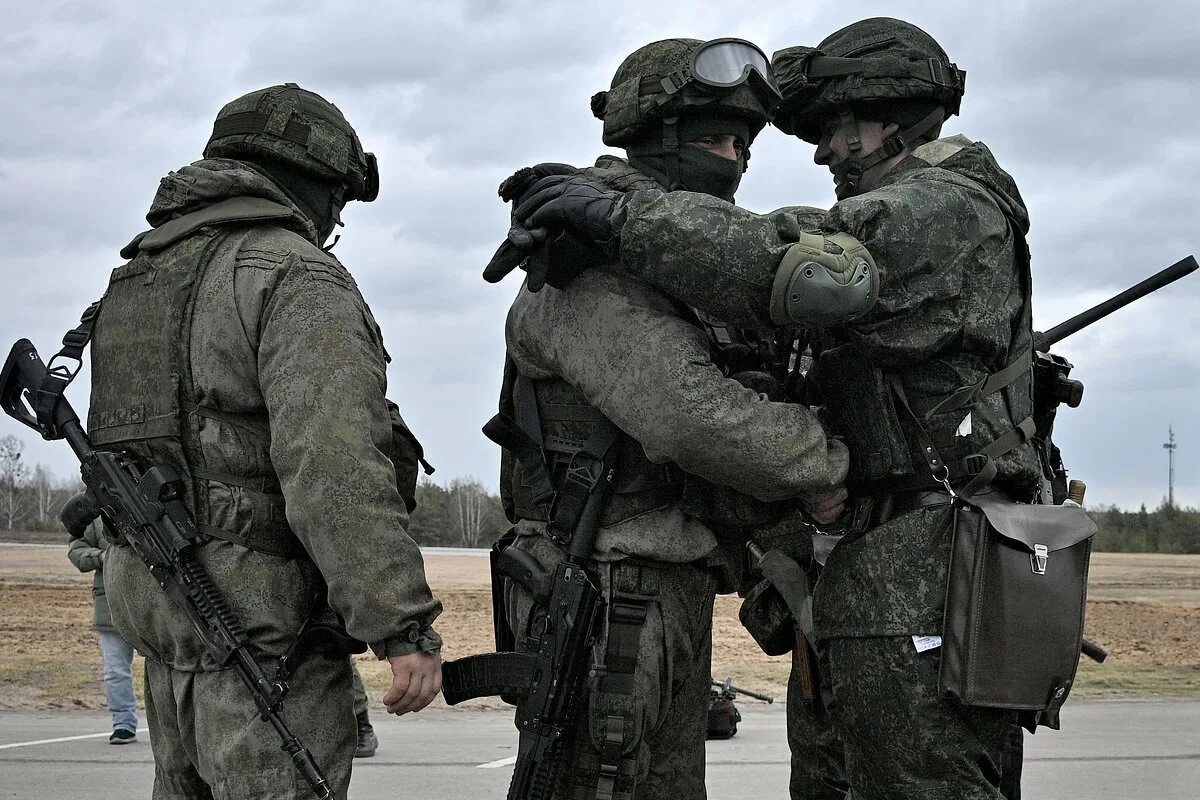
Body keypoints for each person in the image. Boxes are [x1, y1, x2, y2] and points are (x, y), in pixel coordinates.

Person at [490, 18, 1038, 800]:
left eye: (835, 129)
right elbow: (706, 405)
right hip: (827, 580)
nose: (819, 153)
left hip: (918, 578)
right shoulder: (595, 275)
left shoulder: (943, 208)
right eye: (721, 141)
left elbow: (800, 266)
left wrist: (620, 220)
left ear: (891, 117)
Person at [491, 38, 856, 800]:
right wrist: (825, 468)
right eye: (716, 140)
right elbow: (689, 416)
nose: (734, 159)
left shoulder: (679, 264)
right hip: (607, 593)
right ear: (657, 141)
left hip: (665, 592)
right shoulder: (588, 264)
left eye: (744, 144)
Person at [89, 84, 443, 799]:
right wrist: (402, 627)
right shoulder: (293, 273)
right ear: (320, 188)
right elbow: (334, 470)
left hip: (169, 630)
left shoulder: (138, 278)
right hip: (262, 637)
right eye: (338, 206)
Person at [66, 519, 139, 744]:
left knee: (164, 670)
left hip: (153, 606)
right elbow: (76, 550)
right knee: (115, 671)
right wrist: (101, 557)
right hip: (110, 605)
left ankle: (171, 729)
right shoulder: (95, 514)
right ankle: (123, 723)